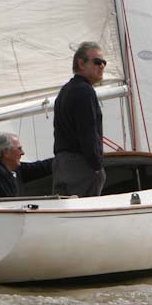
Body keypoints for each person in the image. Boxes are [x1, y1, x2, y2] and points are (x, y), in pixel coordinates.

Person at [52, 41, 107, 197]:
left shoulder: (64, 91)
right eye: (97, 62)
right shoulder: (85, 91)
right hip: (81, 166)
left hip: (60, 165)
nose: (102, 66)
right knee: (87, 209)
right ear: (81, 63)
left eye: (104, 63)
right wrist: (97, 166)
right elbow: (87, 132)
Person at [0, 133, 54, 199]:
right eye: (19, 149)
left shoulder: (12, 169)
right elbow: (8, 206)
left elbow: (40, 168)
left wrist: (59, 159)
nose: (22, 153)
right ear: (6, 152)